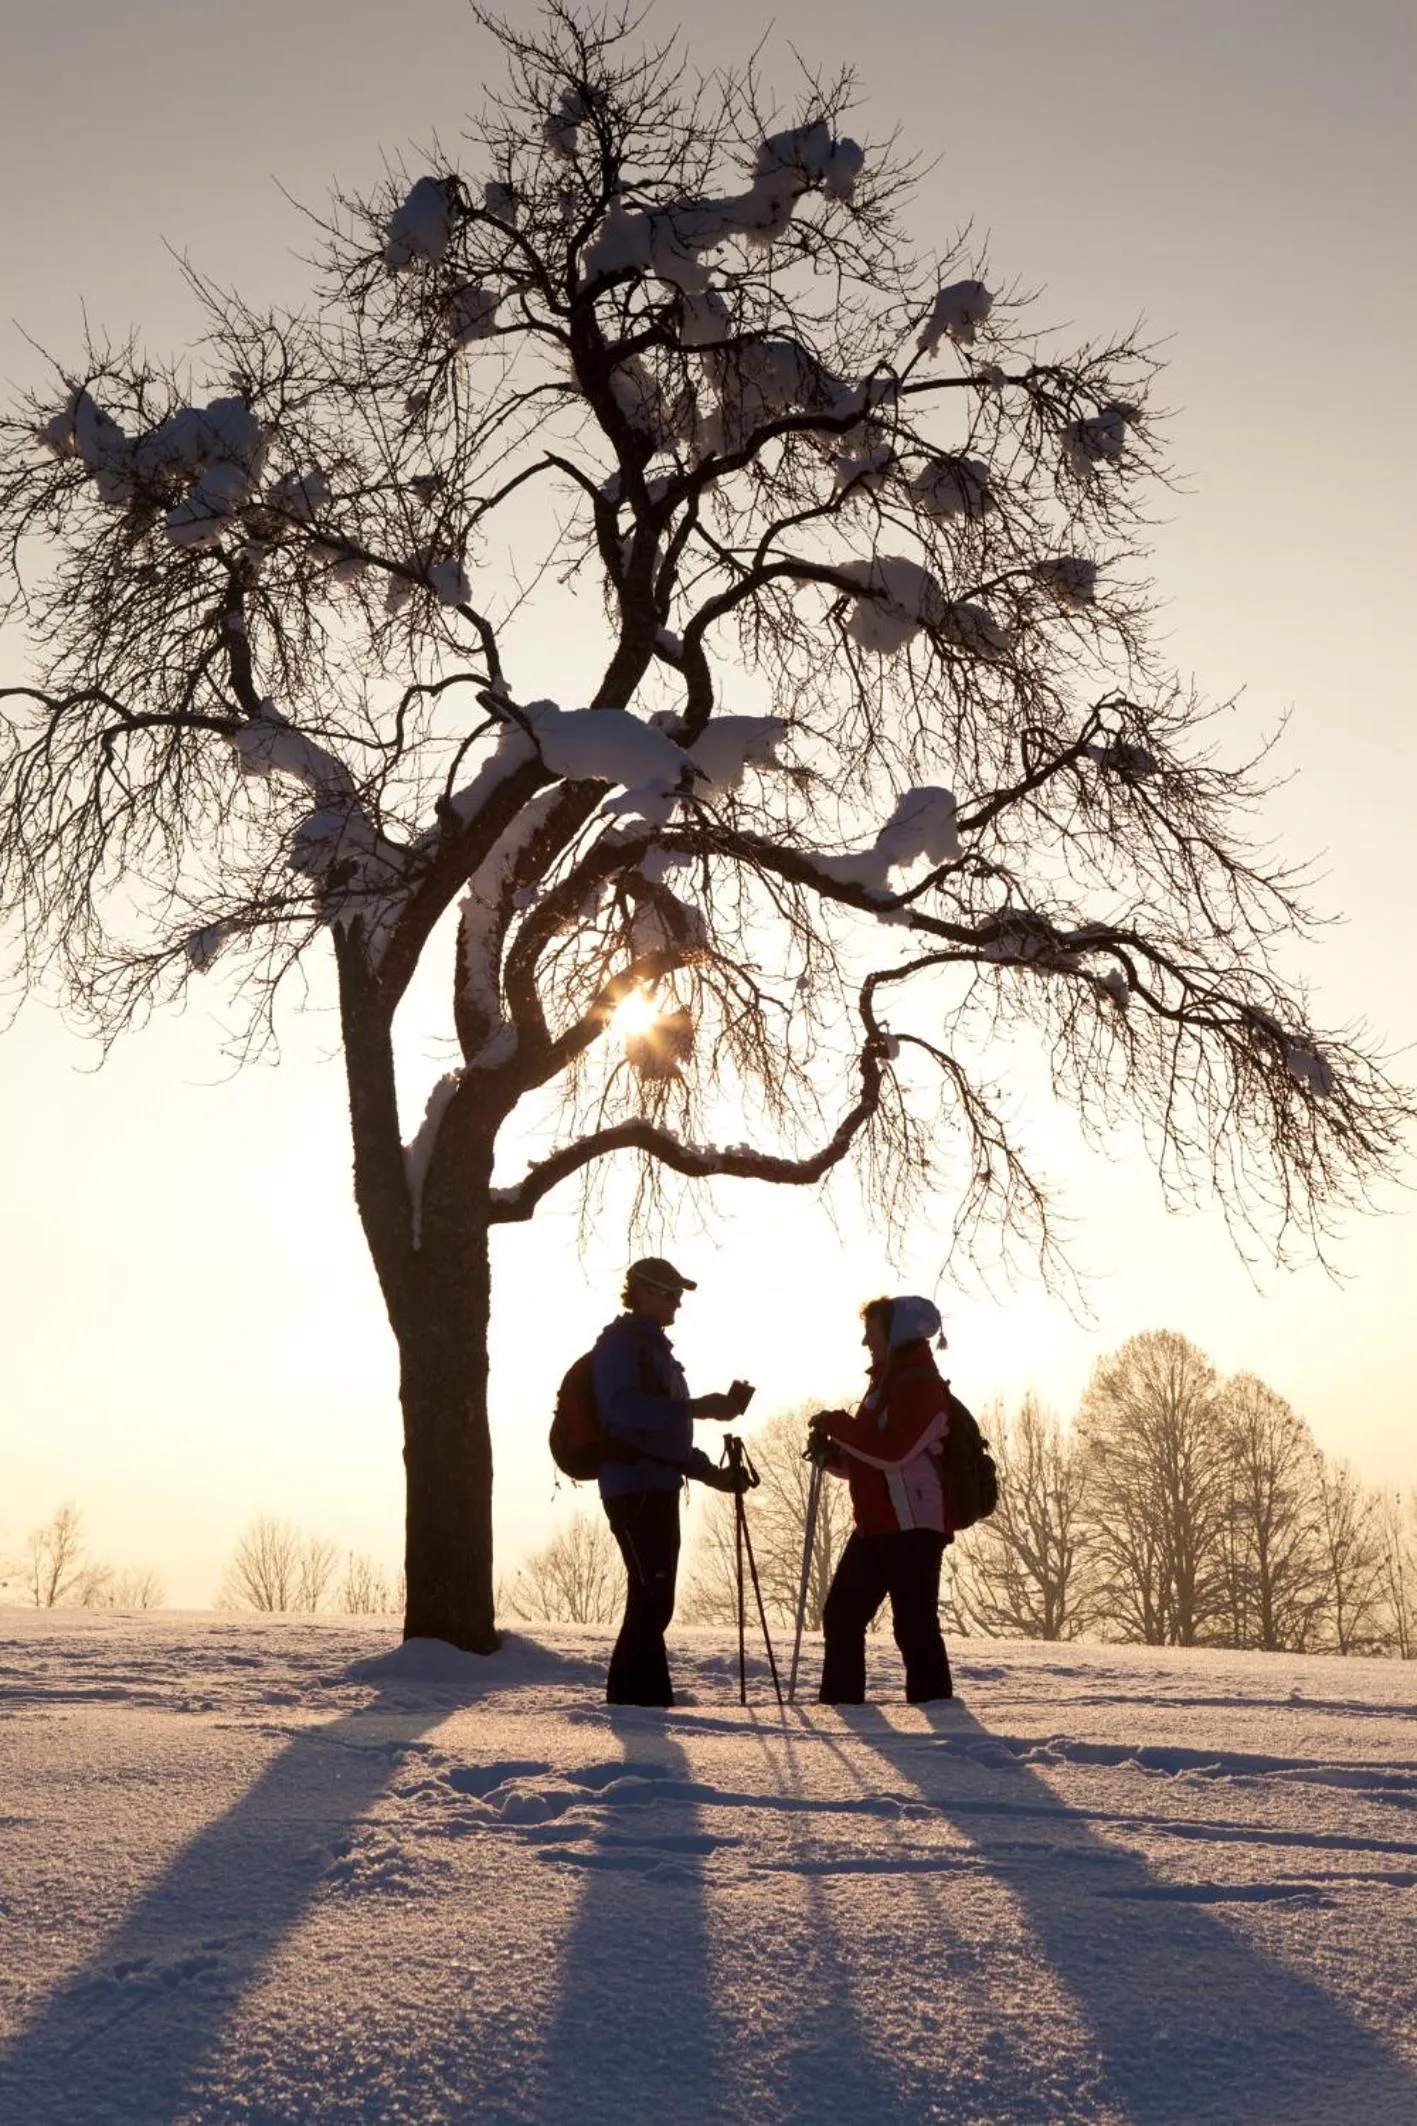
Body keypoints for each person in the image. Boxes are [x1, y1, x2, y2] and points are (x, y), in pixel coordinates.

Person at [593, 1256, 754, 1707]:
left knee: (653, 1599)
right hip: (634, 1488)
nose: (677, 1304)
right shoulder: (621, 1347)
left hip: (655, 1486)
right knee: (651, 1598)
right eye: (670, 1294)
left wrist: (713, 1475)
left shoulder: (654, 1349)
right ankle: (635, 1706)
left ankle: (644, 1702)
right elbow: (622, 1411)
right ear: (641, 1292)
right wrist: (696, 1408)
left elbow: (665, 1435)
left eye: (678, 1295)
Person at [810, 1295, 955, 1705]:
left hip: (913, 1526)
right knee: (842, 1615)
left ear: (895, 1332)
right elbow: (870, 1458)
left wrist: (840, 1427)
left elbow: (895, 1453)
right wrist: (832, 1457)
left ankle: (940, 1717)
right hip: (877, 1524)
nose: (864, 1342)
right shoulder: (883, 1386)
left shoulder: (921, 1387)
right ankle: (842, 1708)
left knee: (913, 1626)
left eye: (871, 1331)